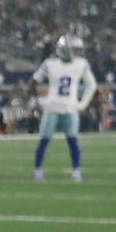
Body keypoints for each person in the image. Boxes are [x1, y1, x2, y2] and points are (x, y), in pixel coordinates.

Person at [34, 32, 94, 183]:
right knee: (45, 140)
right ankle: (38, 170)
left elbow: (91, 85)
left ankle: (76, 170)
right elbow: (34, 81)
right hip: (53, 107)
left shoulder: (81, 64)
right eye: (75, 49)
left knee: (73, 141)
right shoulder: (50, 64)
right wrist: (38, 100)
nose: (77, 53)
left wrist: (82, 104)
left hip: (69, 107)